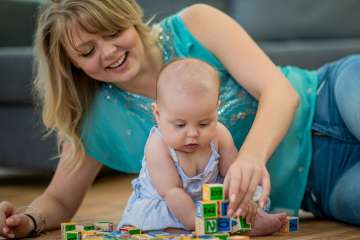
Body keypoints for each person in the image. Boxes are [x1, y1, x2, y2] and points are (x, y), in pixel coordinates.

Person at [0, 0, 359, 238]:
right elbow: (60, 200)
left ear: (130, 18)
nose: (109, 51)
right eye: (88, 51)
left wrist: (250, 157)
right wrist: (26, 221)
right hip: (321, 187)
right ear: (70, 63)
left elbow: (281, 92)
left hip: (331, 95)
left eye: (112, 33)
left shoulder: (196, 23)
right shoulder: (93, 122)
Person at [119, 58, 287, 236]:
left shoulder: (220, 135)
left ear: (216, 110)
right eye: (180, 125)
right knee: (158, 227)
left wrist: (243, 200)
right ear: (158, 114)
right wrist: (196, 222)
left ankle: (250, 221)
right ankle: (190, 229)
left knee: (249, 199)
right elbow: (171, 192)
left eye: (204, 123)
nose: (192, 134)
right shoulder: (158, 145)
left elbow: (232, 174)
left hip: (209, 202)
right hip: (171, 203)